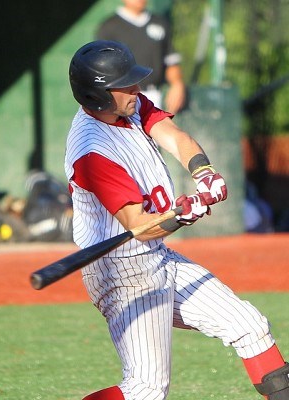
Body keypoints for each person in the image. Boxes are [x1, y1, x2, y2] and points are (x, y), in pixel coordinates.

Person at [65, 40, 288, 400]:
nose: (136, 88)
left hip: (156, 256)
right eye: (125, 84)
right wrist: (181, 216)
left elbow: (175, 137)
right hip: (123, 276)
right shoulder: (92, 153)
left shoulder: (130, 108)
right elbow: (138, 225)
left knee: (250, 327)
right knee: (146, 389)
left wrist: (205, 173)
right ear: (99, 96)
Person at [96, 0, 185, 114]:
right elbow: (103, 69)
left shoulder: (160, 23)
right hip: (122, 99)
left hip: (154, 96)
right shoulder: (108, 27)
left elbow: (170, 61)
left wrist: (177, 84)